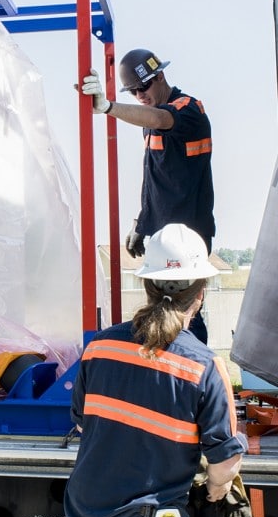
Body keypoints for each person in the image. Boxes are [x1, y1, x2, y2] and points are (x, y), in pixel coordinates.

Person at [64, 223, 246, 517]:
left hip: (92, 513)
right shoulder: (203, 366)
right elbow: (226, 462)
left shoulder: (99, 348)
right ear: (199, 295)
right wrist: (214, 492)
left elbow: (83, 423)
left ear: (146, 285)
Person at [80, 48, 214, 343]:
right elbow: (155, 179)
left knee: (187, 310)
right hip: (161, 234)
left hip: (189, 235)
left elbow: (161, 119)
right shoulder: (148, 121)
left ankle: (196, 376)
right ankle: (165, 376)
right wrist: (141, 223)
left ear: (161, 76)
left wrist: (107, 107)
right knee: (162, 308)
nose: (140, 94)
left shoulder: (189, 109)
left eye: (144, 86)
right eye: (133, 91)